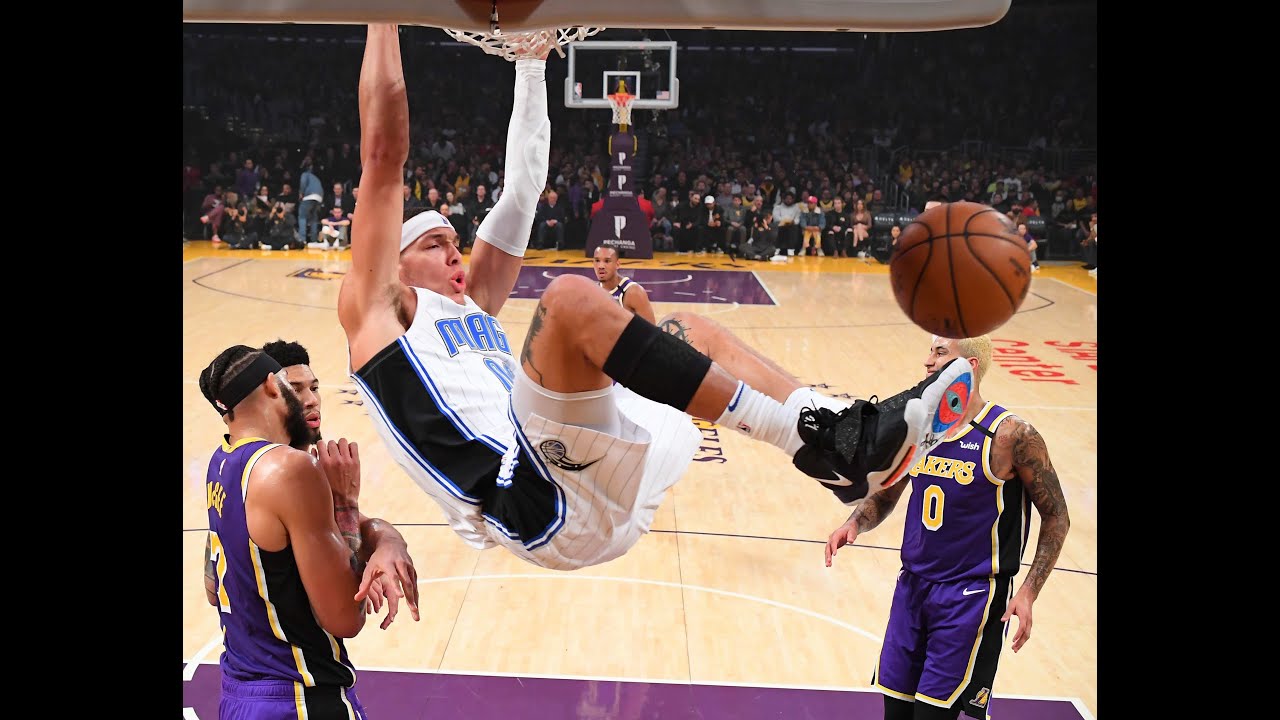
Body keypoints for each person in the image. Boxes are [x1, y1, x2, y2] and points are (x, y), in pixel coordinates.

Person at [337, 24, 974, 572]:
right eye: (435, 245)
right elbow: (384, 154)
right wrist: (382, 19)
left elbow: (524, 186)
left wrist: (531, 65)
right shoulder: (373, 314)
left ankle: (837, 438)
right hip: (531, 498)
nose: (456, 252)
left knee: (683, 331)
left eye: (457, 240)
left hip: (602, 486)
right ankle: (810, 438)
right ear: (388, 263)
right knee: (568, 300)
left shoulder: (472, 304)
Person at [823, 335, 1071, 720]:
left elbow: (1057, 516)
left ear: (968, 367)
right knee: (895, 712)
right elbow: (889, 493)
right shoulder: (919, 427)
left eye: (940, 353)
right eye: (929, 351)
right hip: (912, 588)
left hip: (970, 597)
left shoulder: (1010, 436)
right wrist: (854, 522)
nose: (927, 362)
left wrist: (1028, 591)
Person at [199, 345, 421, 719]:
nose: (308, 400)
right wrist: (345, 502)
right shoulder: (290, 469)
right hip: (298, 698)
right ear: (273, 385)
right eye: (293, 387)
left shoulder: (223, 464)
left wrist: (386, 541)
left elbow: (212, 587)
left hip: (239, 694)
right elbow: (345, 619)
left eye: (314, 388)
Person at [592, 245, 655, 325]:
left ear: (617, 264)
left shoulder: (634, 292)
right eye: (597, 260)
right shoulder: (592, 291)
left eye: (607, 261)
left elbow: (653, 333)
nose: (601, 266)